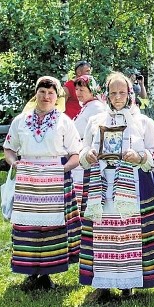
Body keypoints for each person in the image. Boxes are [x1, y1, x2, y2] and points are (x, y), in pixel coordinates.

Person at [79, 71, 154, 302]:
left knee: (129, 233)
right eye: (113, 92)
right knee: (104, 233)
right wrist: (88, 155)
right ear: (106, 95)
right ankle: (102, 284)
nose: (118, 97)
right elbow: (81, 151)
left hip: (134, 184)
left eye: (122, 92)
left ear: (130, 93)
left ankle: (128, 284)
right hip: (101, 186)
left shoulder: (142, 121)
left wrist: (140, 156)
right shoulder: (95, 122)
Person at [3, 76, 81, 291]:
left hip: (55, 179)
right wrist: (15, 164)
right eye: (42, 92)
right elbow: (9, 148)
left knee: (51, 227)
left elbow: (76, 153)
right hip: (28, 179)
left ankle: (47, 273)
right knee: (28, 226)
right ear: (35, 93)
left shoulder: (65, 121)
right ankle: (29, 271)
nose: (46, 97)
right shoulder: (21, 120)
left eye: (51, 93)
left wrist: (63, 169)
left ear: (57, 97)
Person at [71, 74, 106, 214]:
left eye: (82, 90)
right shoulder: (87, 106)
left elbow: (97, 133)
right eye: (77, 89)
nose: (78, 93)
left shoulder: (96, 107)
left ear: (92, 90)